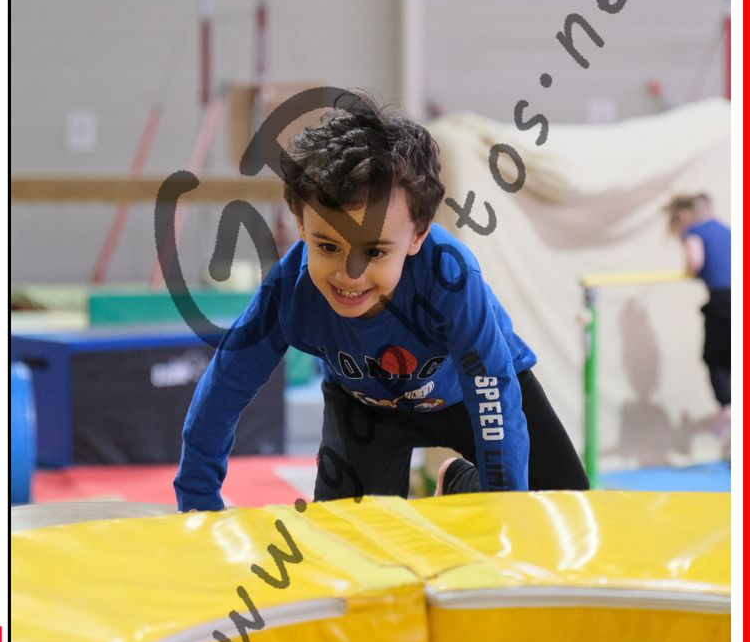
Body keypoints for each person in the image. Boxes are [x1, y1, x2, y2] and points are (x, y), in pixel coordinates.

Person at [173, 94, 588, 511]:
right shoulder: (289, 291)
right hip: (367, 409)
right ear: (301, 224)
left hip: (469, 394)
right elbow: (227, 383)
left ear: (418, 234)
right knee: (348, 533)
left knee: (564, 500)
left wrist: (505, 509)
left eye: (373, 252)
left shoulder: (450, 277)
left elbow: (491, 390)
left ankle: (463, 483)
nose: (350, 275)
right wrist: (197, 498)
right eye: (328, 246)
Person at [665, 193, 731, 431]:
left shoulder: (695, 231)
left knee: (714, 357)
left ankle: (729, 408)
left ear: (685, 215)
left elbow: (695, 261)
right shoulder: (726, 230)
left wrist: (690, 271)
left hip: (724, 301)